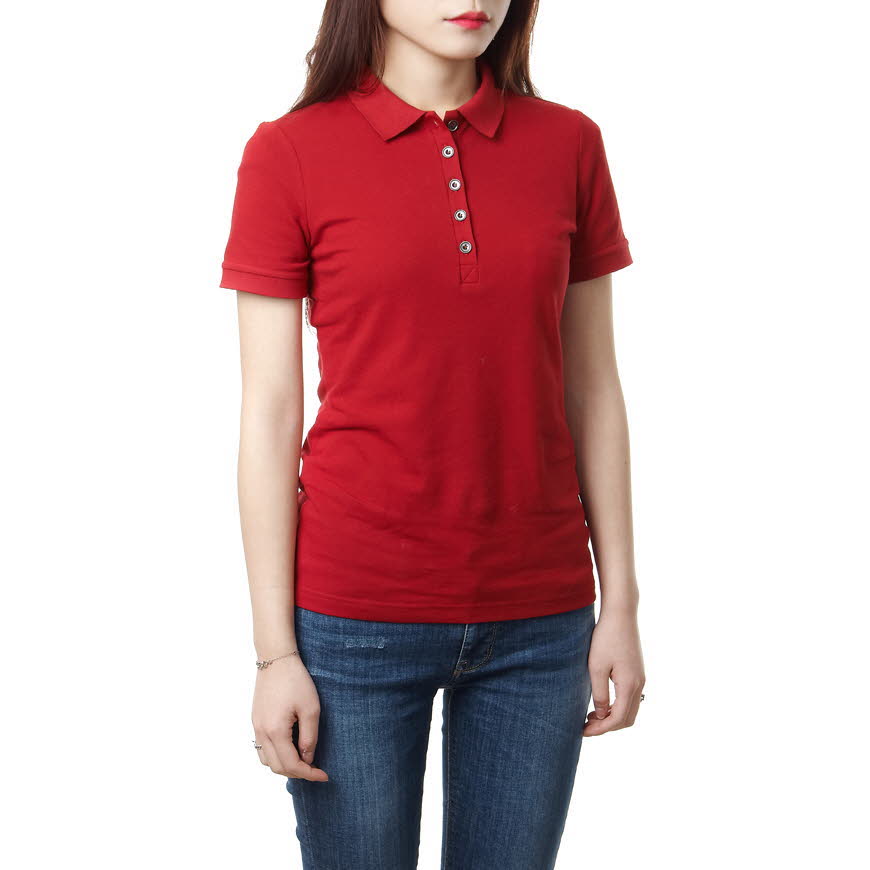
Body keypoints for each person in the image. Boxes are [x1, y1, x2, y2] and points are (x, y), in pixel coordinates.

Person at [219, 2, 645, 868]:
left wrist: (622, 606)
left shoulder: (569, 145)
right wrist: (274, 654)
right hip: (353, 618)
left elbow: (594, 389)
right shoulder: (288, 152)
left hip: (541, 618)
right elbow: (269, 415)